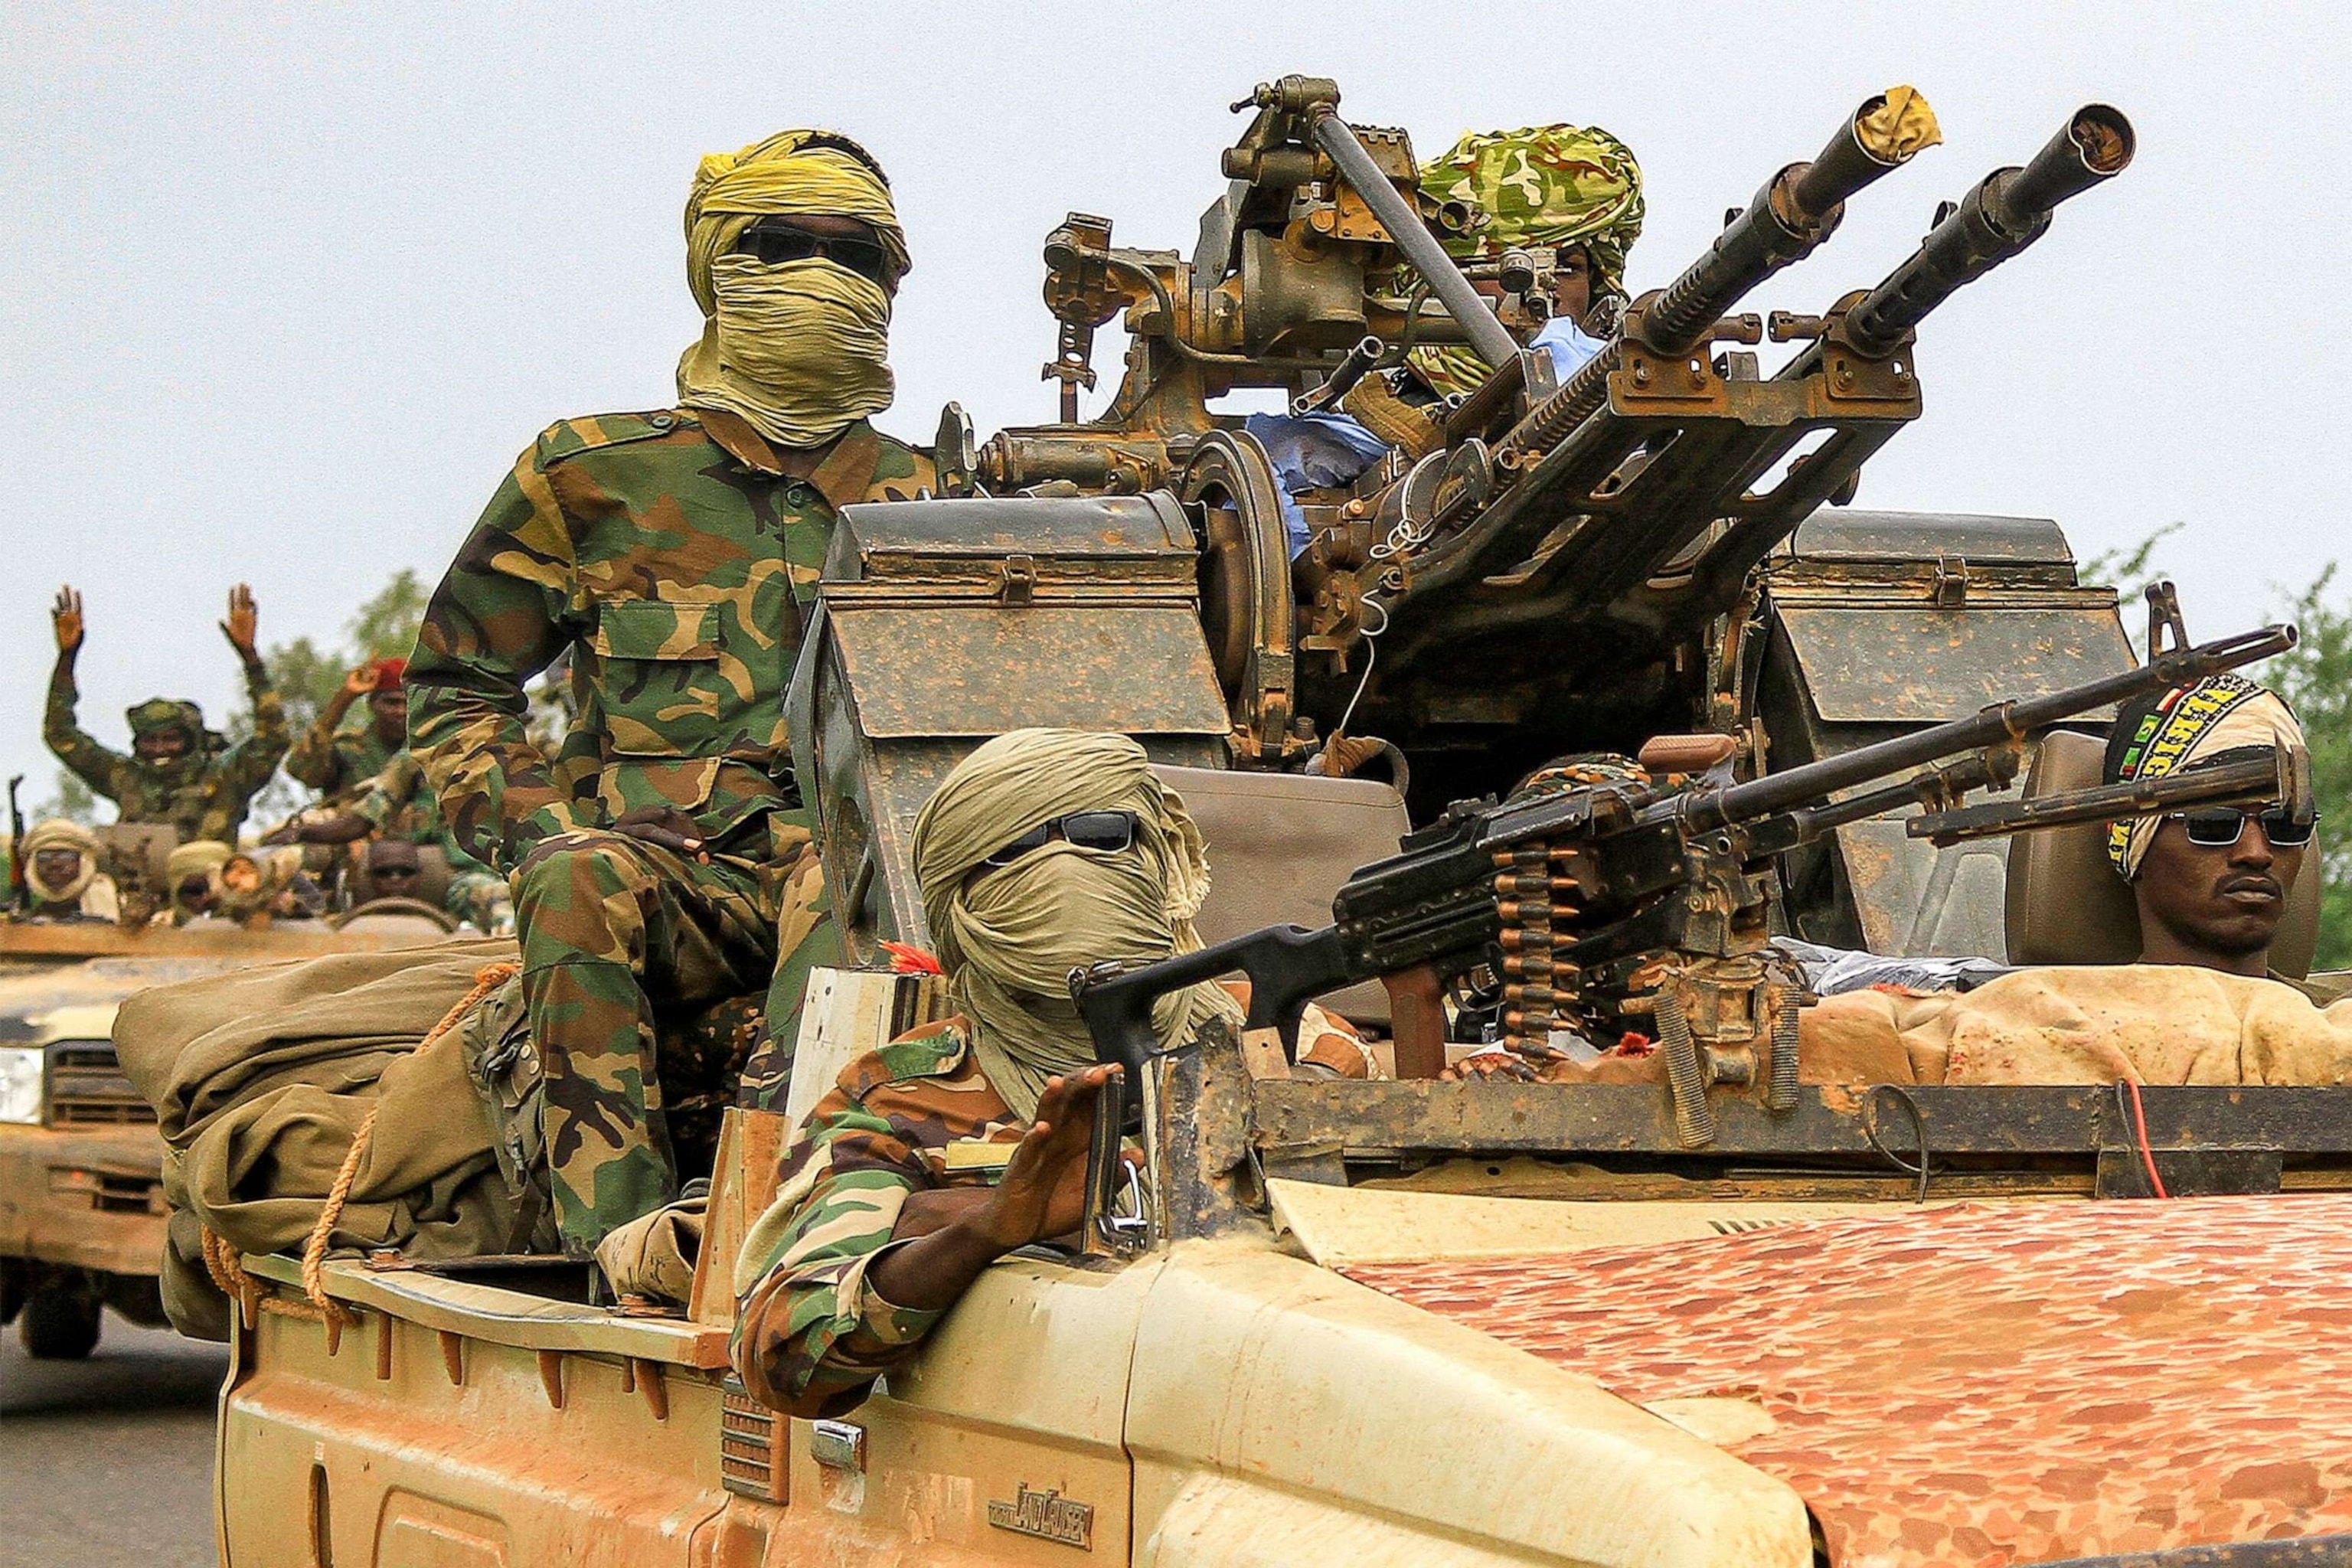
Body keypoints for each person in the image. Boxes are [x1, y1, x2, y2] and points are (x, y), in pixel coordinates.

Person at [407, 128, 936, 1257]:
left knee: (860, 882)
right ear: (717, 268)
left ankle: (788, 1225)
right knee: (571, 877)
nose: (822, 276)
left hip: (857, 878)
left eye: (857, 255)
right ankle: (632, 1250)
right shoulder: (591, 473)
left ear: (894, 283)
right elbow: (458, 688)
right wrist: (548, 823)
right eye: (781, 244)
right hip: (675, 885)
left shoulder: (939, 497)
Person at [730, 728, 1369, 1416]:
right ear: (958, 897)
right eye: (1010, 854)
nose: (1064, 869)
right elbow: (782, 1358)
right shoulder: (902, 1096)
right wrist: (988, 1232)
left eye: (1100, 834)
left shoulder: (1286, 1035)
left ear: (1159, 853)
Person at [2102, 672, 2334, 1001]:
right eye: (2214, 822)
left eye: (2284, 824)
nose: (2256, 853)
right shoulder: (2059, 1032)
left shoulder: (2338, 1028)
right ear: (2135, 843)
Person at [44, 583, 289, 846]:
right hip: (135, 883)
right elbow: (60, 735)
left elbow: (274, 739)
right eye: (150, 741)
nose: (160, 749)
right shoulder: (127, 777)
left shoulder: (225, 776)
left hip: (209, 882)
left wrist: (250, 658)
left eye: (171, 739)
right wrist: (67, 658)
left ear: (191, 742)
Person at [266, 751, 513, 931]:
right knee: (497, 898)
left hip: (525, 864)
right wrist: (302, 833)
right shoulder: (418, 758)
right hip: (460, 874)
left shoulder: (524, 748)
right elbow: (362, 820)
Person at [286, 657, 409, 805]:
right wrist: (345, 697)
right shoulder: (347, 748)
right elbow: (300, 769)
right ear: (372, 704)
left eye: (409, 703)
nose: (401, 711)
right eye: (392, 702)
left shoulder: (432, 749)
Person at [15, 818, 119, 922]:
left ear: (84, 861)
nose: (54, 864)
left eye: (66, 856)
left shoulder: (116, 905)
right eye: (44, 857)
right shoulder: (21, 919)